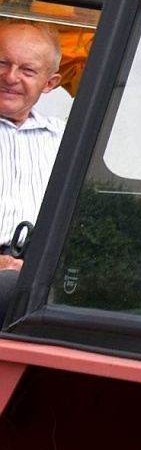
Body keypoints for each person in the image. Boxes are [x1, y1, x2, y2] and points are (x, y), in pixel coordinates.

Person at [0, 20, 65, 271]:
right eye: (2, 63)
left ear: (50, 83)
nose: (10, 77)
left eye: (27, 70)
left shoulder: (65, 140)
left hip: (43, 278)